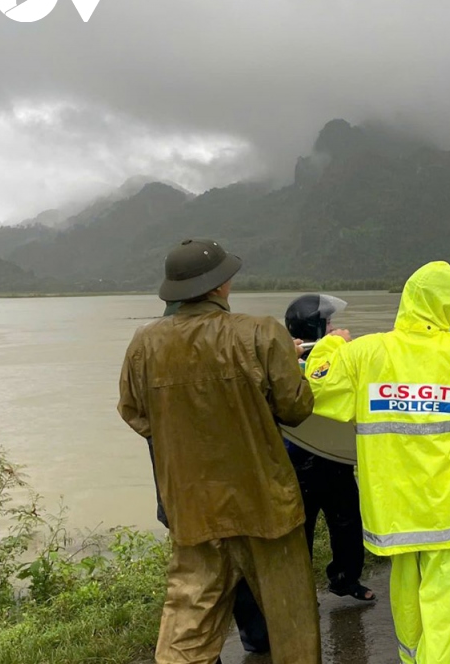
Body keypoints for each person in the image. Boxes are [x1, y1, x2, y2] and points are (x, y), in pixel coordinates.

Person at [118, 238, 320, 664]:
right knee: (291, 621)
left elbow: (135, 414)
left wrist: (183, 430)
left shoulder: (143, 343)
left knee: (188, 622)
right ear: (221, 285)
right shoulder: (262, 332)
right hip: (266, 501)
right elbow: (296, 407)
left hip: (191, 504)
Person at [305, 261, 450, 664]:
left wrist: (333, 343)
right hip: (449, 505)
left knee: (406, 593)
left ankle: (411, 659)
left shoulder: (366, 353)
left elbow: (316, 384)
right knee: (447, 608)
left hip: (395, 506)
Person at [282, 294, 375, 602]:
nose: (336, 328)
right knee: (300, 533)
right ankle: (300, 593)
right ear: (316, 327)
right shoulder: (290, 362)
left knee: (348, 522)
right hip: (300, 461)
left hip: (334, 457)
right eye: (329, 323)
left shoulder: (333, 356)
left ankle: (346, 579)